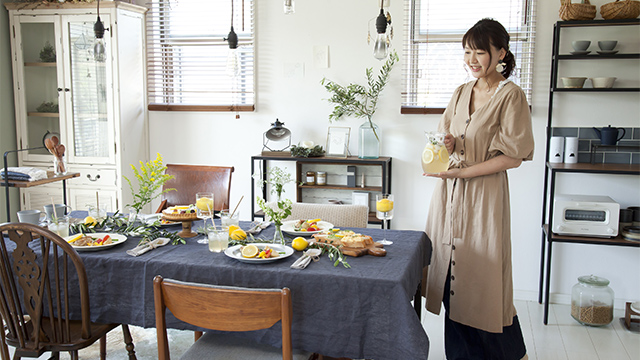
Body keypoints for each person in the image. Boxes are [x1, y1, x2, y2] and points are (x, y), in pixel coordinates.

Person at [424, 18, 534, 360]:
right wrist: (450, 142)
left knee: (482, 280)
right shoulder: (461, 92)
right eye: (467, 52)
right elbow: (455, 140)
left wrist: (465, 172)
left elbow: (513, 157)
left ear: (500, 53)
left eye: (480, 52)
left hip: (484, 196)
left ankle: (508, 354)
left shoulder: (511, 95)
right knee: (450, 275)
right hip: (450, 195)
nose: (472, 59)